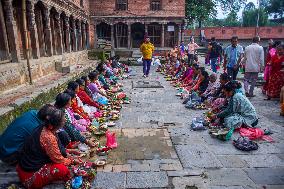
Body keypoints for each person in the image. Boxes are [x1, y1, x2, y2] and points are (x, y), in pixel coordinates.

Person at [16, 109, 78, 189]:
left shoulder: (45, 127)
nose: (65, 120)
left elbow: (55, 150)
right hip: (29, 175)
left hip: (24, 166)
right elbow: (58, 159)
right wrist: (72, 160)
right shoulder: (48, 137)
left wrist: (69, 153)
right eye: (63, 120)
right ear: (56, 124)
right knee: (63, 170)